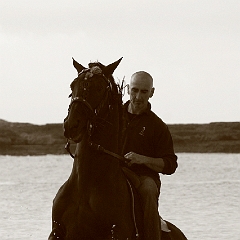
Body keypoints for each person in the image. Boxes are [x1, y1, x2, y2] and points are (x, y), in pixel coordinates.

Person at [122, 71, 178, 240]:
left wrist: (142, 159)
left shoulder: (158, 126)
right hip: (112, 173)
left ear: (152, 93)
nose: (138, 97)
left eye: (144, 92)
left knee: (148, 189)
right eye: (134, 90)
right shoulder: (112, 117)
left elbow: (170, 165)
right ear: (127, 89)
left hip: (143, 178)